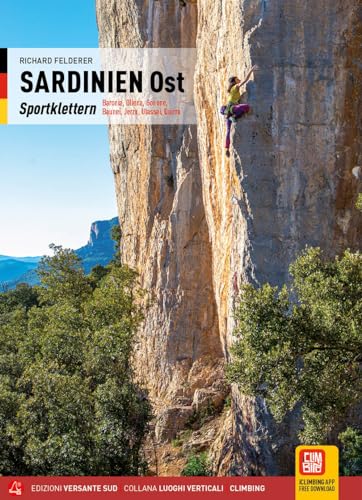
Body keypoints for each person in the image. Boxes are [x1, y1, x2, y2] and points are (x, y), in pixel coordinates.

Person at [223, 65, 257, 157]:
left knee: (228, 130)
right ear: (234, 81)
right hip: (232, 109)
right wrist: (251, 70)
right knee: (246, 107)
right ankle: (235, 116)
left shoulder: (231, 90)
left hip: (228, 111)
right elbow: (246, 80)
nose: (239, 79)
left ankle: (226, 148)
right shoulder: (235, 87)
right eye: (237, 78)